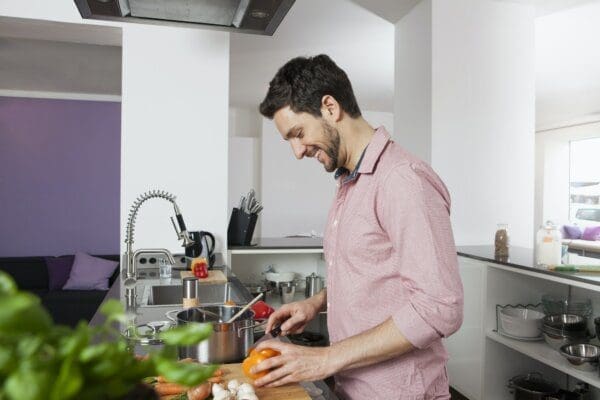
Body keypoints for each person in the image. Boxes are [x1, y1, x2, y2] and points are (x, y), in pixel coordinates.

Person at [252, 54, 464, 399]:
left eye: (298, 133)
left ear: (330, 107)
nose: (297, 151)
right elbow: (368, 272)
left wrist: (324, 359)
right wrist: (317, 303)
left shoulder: (402, 180)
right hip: (354, 385)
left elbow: (440, 308)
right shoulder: (350, 182)